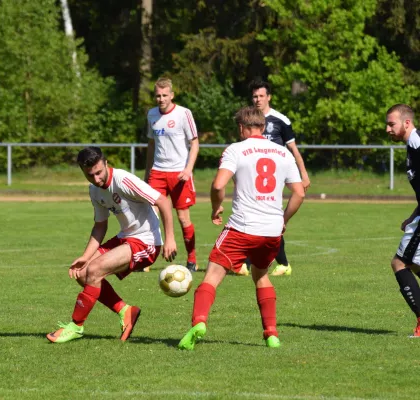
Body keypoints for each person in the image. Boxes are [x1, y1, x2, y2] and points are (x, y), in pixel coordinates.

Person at [177, 106, 305, 350]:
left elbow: (218, 185)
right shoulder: (283, 153)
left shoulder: (236, 149)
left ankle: (199, 323)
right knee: (262, 275)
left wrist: (216, 208)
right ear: (264, 127)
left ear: (241, 128)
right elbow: (299, 193)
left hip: (242, 228)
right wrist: (283, 220)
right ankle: (271, 334)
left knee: (212, 275)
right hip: (271, 232)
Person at [47, 146, 178, 343]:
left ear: (106, 164)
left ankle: (75, 326)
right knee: (83, 273)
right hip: (125, 237)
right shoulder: (94, 191)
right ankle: (126, 311)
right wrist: (85, 256)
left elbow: (163, 201)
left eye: (99, 172)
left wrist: (170, 239)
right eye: (90, 175)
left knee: (96, 269)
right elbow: (100, 225)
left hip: (147, 241)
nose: (96, 179)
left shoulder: (123, 180)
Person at [237, 80, 311, 277]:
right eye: (254, 96)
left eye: (261, 96)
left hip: (272, 177)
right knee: (253, 215)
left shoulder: (280, 120)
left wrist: (303, 174)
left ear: (268, 97)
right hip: (252, 176)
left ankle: (274, 262)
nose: (257, 99)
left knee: (269, 216)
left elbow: (293, 149)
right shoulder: (248, 119)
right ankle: (250, 262)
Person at [144, 77, 200, 272]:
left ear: (172, 95)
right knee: (150, 214)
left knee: (183, 218)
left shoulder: (184, 114)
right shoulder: (151, 114)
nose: (161, 99)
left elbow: (195, 143)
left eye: (165, 95)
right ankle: (147, 258)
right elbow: (151, 145)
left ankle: (192, 259)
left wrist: (188, 169)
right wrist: (147, 173)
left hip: (179, 173)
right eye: (158, 95)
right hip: (157, 172)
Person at [386, 104, 420, 338]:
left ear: (406, 123)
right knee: (414, 265)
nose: (387, 128)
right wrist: (413, 216)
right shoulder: (411, 146)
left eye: (391, 124)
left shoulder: (417, 143)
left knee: (399, 263)